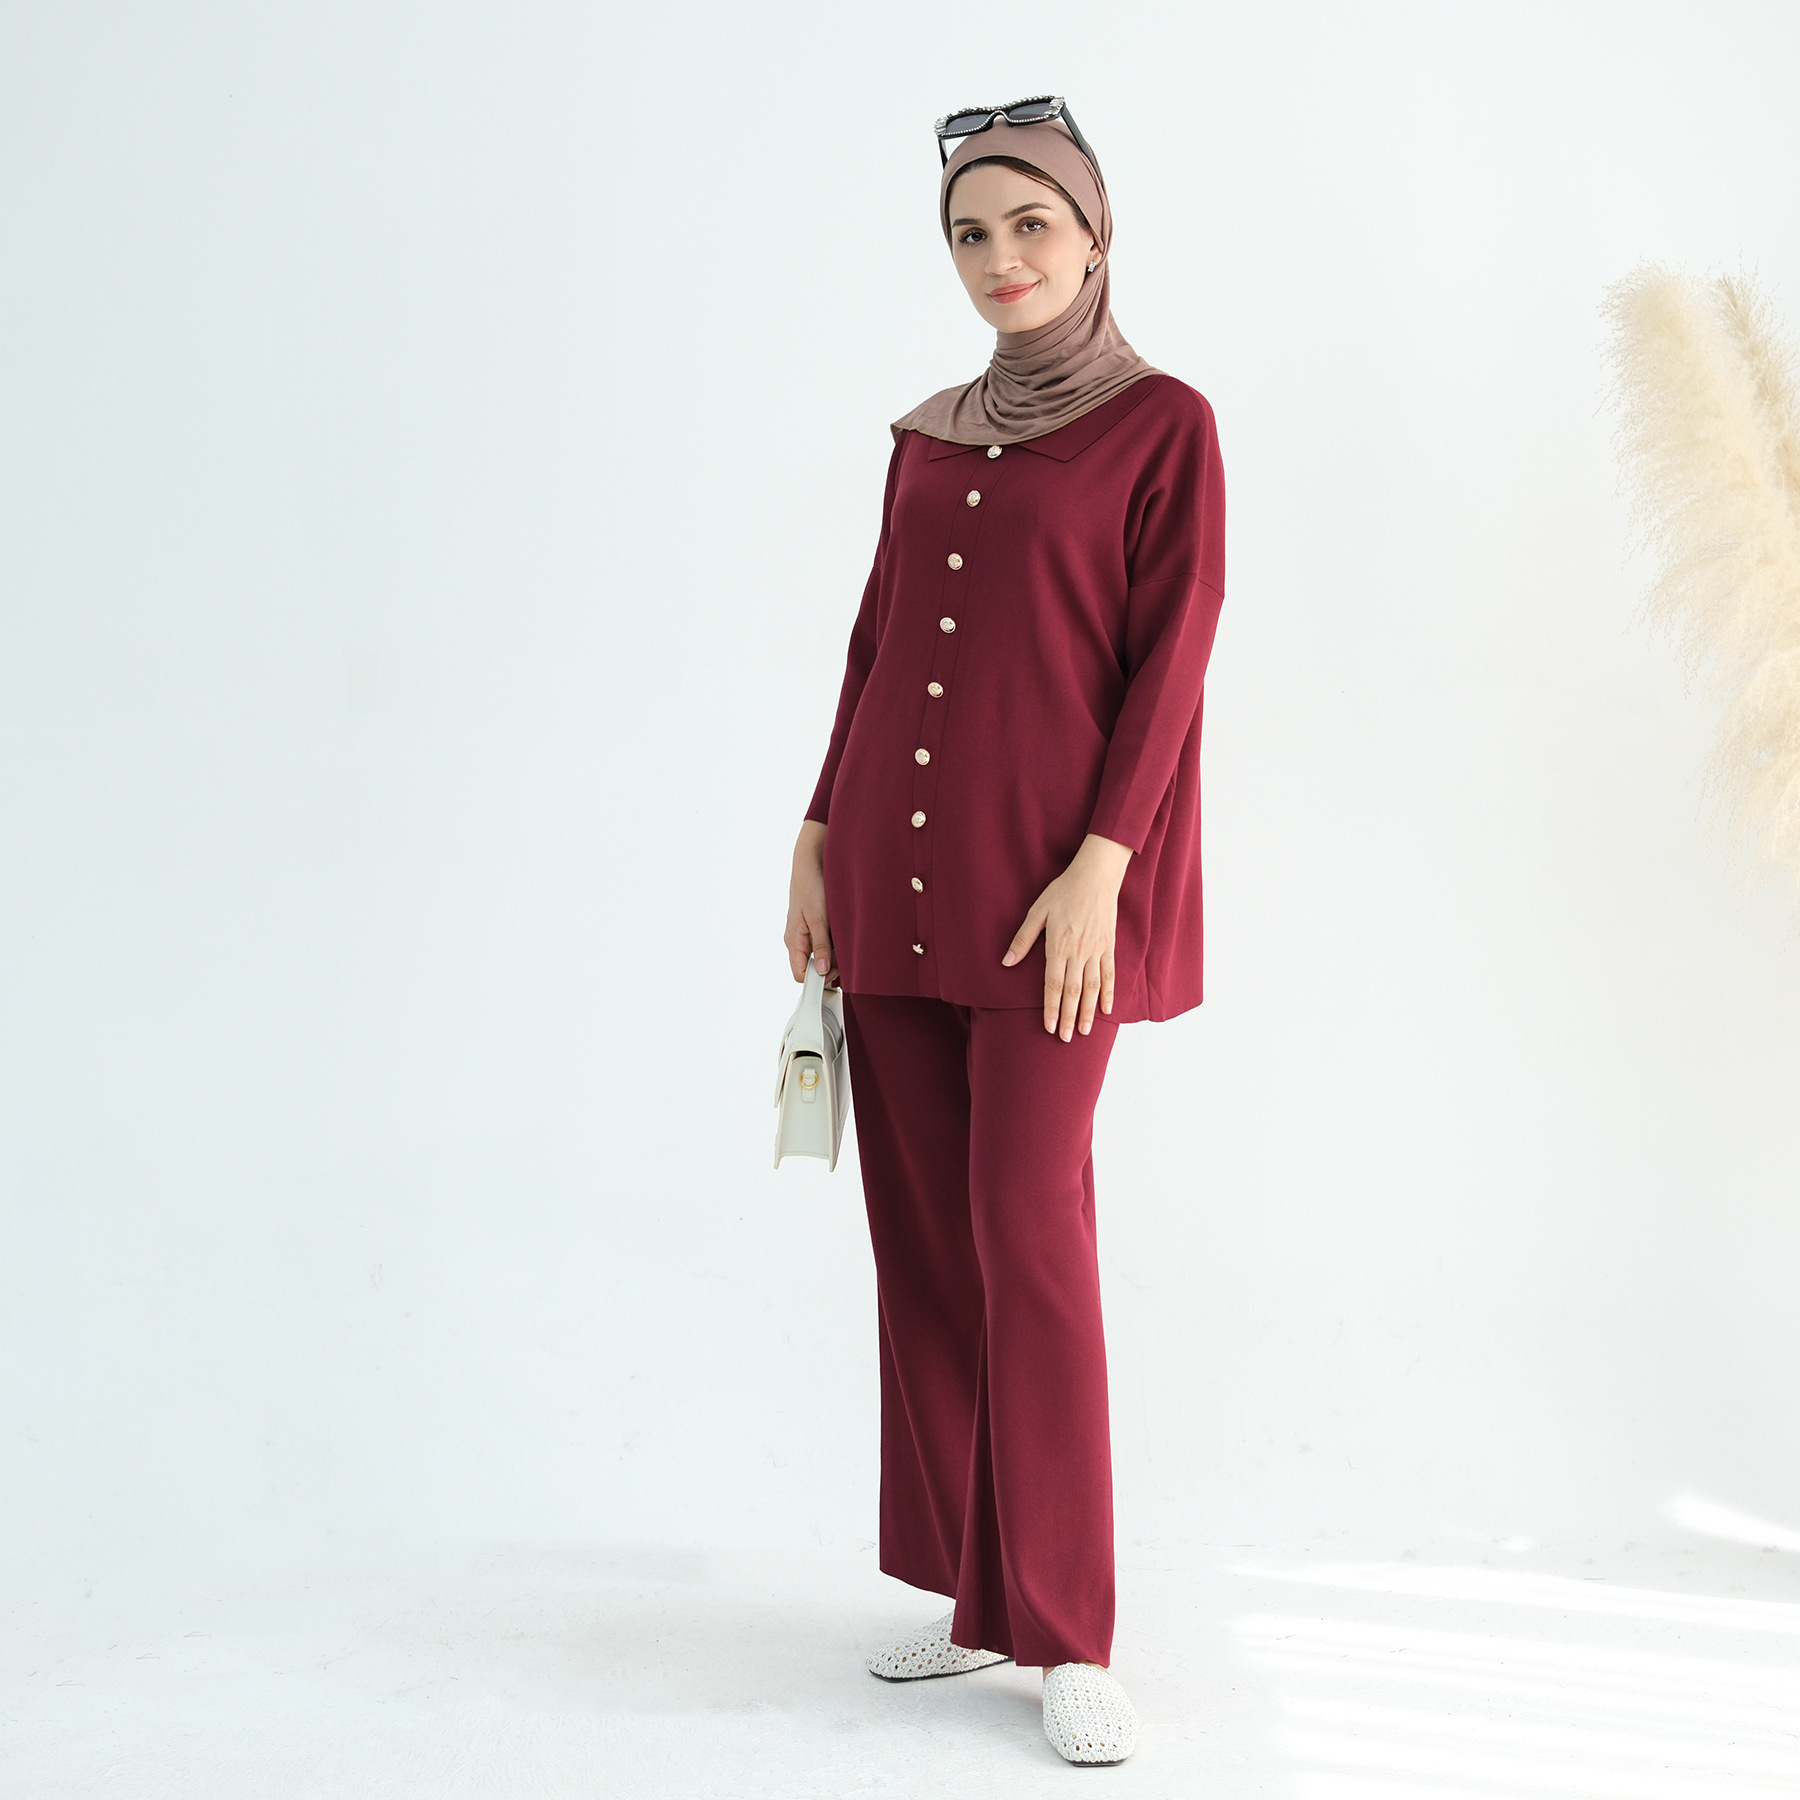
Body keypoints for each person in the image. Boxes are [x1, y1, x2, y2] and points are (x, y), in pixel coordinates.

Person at [783, 96, 1225, 1768]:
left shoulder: (1162, 427)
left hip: (1051, 900)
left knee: (1025, 1227)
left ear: (1095, 234)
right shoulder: (928, 437)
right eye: (971, 233)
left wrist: (1106, 865)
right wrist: (815, 831)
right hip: (892, 877)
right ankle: (979, 1600)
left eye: (1031, 223)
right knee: (926, 1236)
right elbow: (875, 642)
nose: (1000, 259)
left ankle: (1068, 1628)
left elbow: (1174, 655)